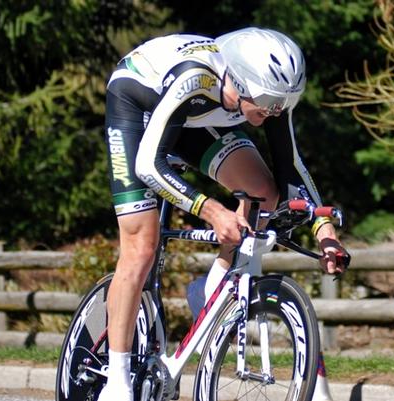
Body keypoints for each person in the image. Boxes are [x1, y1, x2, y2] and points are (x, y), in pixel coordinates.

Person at [98, 27, 349, 401]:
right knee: (141, 247)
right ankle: (116, 381)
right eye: (264, 108)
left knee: (266, 193)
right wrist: (213, 211)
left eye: (278, 108)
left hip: (197, 119)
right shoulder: (194, 77)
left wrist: (324, 230)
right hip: (138, 108)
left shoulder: (266, 96)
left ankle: (213, 283)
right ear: (241, 83)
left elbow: (290, 166)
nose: (270, 116)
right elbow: (148, 166)